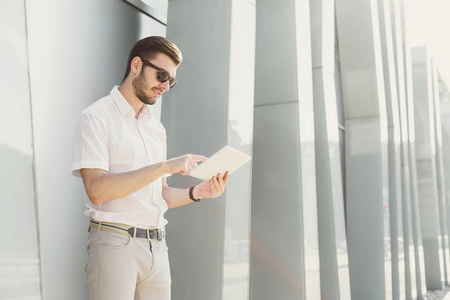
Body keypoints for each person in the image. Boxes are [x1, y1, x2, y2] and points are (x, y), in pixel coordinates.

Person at [71, 36, 229, 300]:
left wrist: (198, 192)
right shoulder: (96, 118)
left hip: (157, 246)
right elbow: (96, 190)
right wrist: (164, 166)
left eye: (171, 81)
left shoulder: (155, 128)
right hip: (114, 244)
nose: (165, 86)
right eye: (162, 75)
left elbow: (159, 194)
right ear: (136, 65)